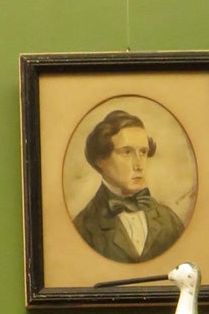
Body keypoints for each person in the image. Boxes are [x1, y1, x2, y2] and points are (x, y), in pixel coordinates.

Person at [72, 108, 186, 264]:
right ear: (101, 160)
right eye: (127, 152)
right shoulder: (83, 227)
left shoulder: (169, 220)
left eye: (143, 152)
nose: (139, 165)